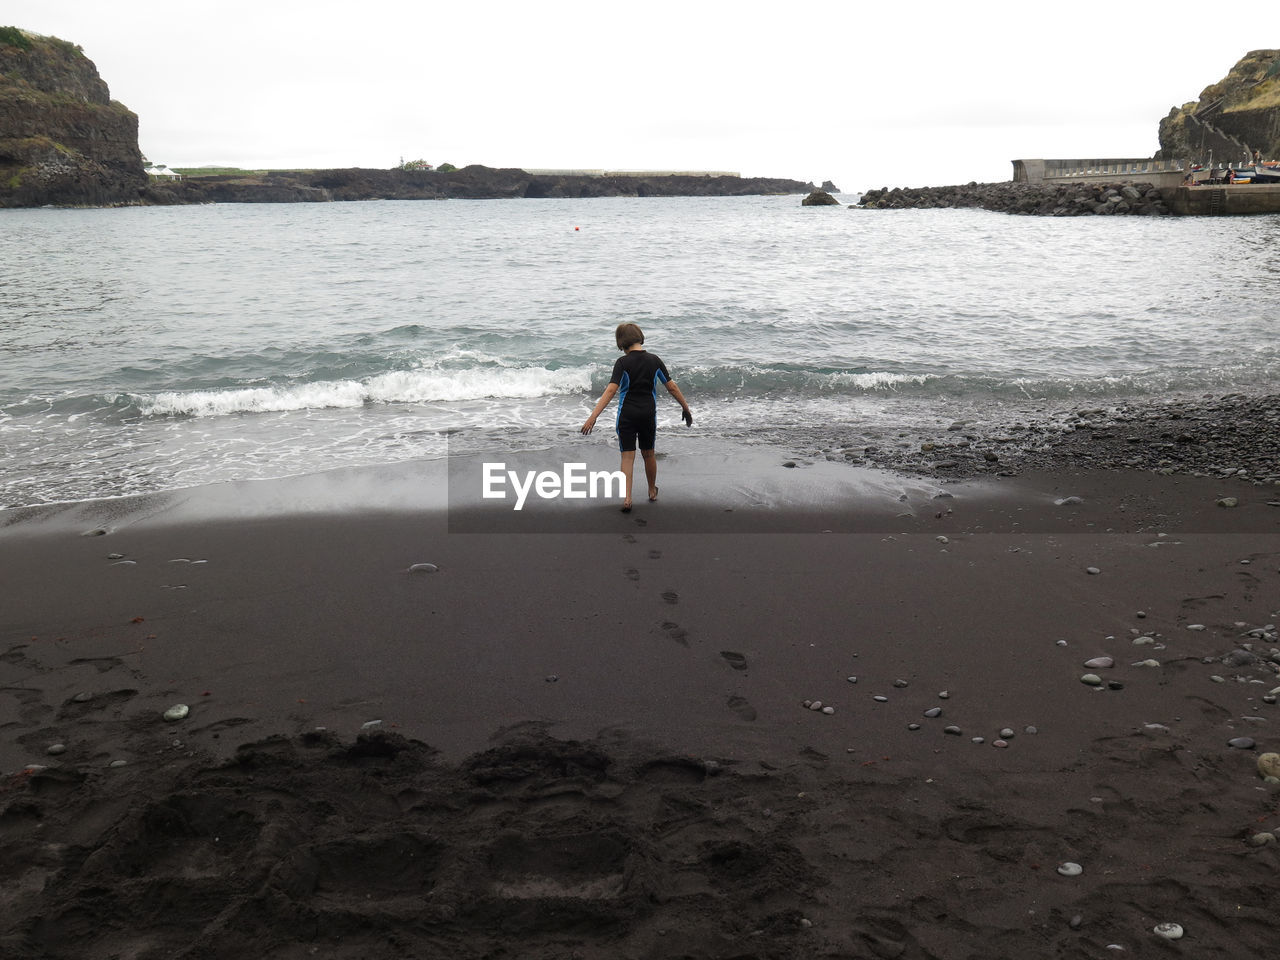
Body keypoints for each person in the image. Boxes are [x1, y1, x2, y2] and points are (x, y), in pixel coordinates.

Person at [580, 322, 692, 512]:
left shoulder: (622, 363)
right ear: (640, 337)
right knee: (648, 453)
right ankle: (651, 491)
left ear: (621, 344)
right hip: (648, 415)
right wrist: (685, 408)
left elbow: (610, 391)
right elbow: (671, 387)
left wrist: (593, 416)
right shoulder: (655, 360)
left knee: (627, 457)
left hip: (627, 415)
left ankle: (627, 498)